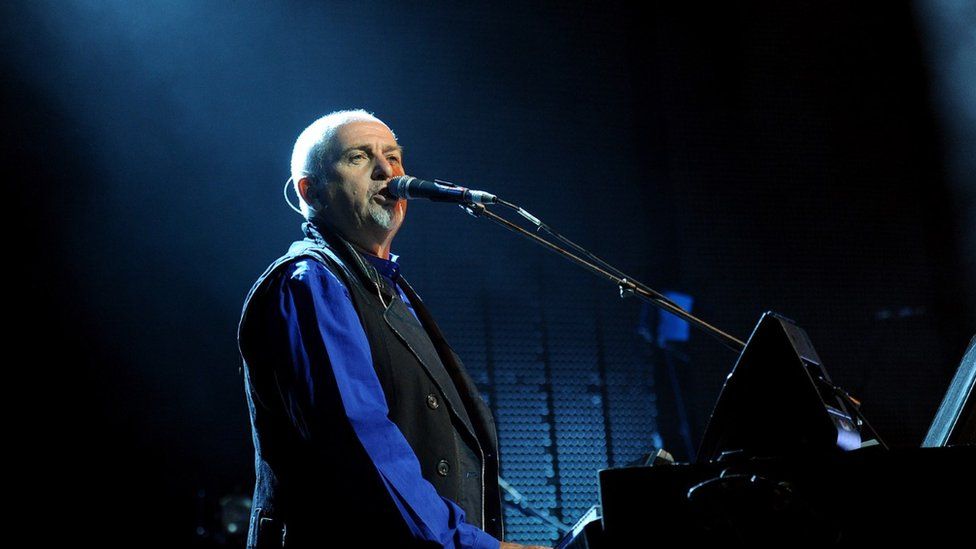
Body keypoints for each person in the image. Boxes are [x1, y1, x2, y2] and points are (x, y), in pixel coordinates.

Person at [237, 110, 548, 549]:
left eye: (394, 156)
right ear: (313, 191)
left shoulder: (387, 288)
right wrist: (468, 544)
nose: (388, 171)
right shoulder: (312, 283)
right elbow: (358, 438)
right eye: (359, 157)